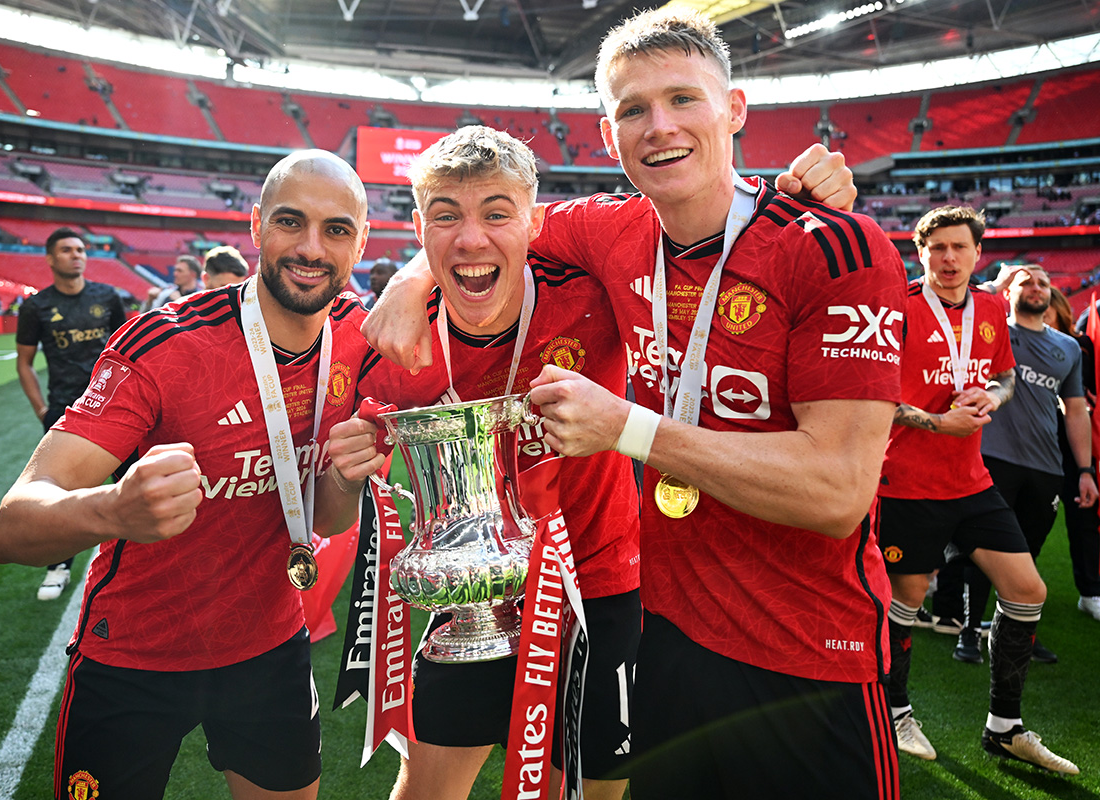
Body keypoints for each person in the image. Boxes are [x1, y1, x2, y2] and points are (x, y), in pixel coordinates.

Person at [365, 9, 902, 797]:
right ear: (608, 138)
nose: (660, 127)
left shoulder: (830, 246)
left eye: (684, 99)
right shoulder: (608, 231)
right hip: (666, 639)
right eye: (632, 110)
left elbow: (837, 489)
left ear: (735, 111)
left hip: (805, 651)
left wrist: (628, 428)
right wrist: (408, 281)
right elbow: (487, 227)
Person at [0, 149, 373, 800]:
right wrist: (113, 510)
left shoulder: (360, 341)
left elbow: (327, 518)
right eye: (289, 222)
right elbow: (10, 527)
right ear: (254, 226)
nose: (311, 247)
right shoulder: (164, 344)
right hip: (133, 657)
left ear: (361, 242)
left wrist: (345, 480)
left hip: (270, 645)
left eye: (336, 229)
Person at [330, 126, 642, 800]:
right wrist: (349, 463)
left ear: (531, 220)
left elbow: (686, 216)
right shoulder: (395, 342)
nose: (472, 239)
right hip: (471, 597)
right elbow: (339, 497)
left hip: (598, 589)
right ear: (419, 226)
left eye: (497, 213)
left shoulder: (589, 288)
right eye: (446, 217)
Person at [877, 206, 1078, 773]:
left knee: (1027, 589)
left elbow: (1006, 374)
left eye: (958, 248)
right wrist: (938, 423)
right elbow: (874, 396)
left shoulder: (992, 306)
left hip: (971, 480)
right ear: (919, 253)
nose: (947, 259)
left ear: (977, 253)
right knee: (908, 596)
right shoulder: (897, 308)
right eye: (936, 248)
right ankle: (894, 712)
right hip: (905, 480)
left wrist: (991, 395)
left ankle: (1004, 727)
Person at [935, 266, 1096, 665]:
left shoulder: (1068, 348)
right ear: (1010, 291)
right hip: (991, 457)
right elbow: (958, 303)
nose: (1036, 288)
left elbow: (1075, 411)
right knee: (981, 547)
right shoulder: (992, 328)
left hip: (1046, 466)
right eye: (1027, 281)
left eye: (1043, 283)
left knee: (1028, 551)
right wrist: (1001, 281)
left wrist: (1086, 470)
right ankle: (969, 633)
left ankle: (1020, 634)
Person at [15, 227, 126, 601]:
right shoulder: (36, 306)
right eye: (66, 250)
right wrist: (42, 410)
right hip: (64, 409)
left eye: (80, 249)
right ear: (50, 258)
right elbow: (25, 363)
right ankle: (58, 566)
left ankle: (144, 559)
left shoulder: (107, 297)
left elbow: (126, 351)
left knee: (130, 479)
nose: (76, 255)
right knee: (59, 489)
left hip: (114, 406)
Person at [1044, 287, 1100, 621]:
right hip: (1029, 444)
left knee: (1083, 519)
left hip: (1073, 445)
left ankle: (1091, 590)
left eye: (1048, 314)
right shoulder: (1014, 341)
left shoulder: (1079, 346)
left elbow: (1085, 398)